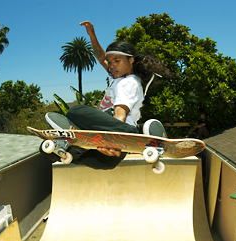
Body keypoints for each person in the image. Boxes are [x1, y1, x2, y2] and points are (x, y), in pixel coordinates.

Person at [40, 21, 169, 170]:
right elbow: (101, 57)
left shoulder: (128, 82)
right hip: (113, 152)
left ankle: (132, 134)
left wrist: (111, 137)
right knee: (47, 150)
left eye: (117, 61)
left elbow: (120, 113)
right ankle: (74, 151)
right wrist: (93, 37)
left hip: (121, 129)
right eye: (110, 62)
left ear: (131, 60)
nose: (112, 65)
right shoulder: (118, 77)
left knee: (75, 111)